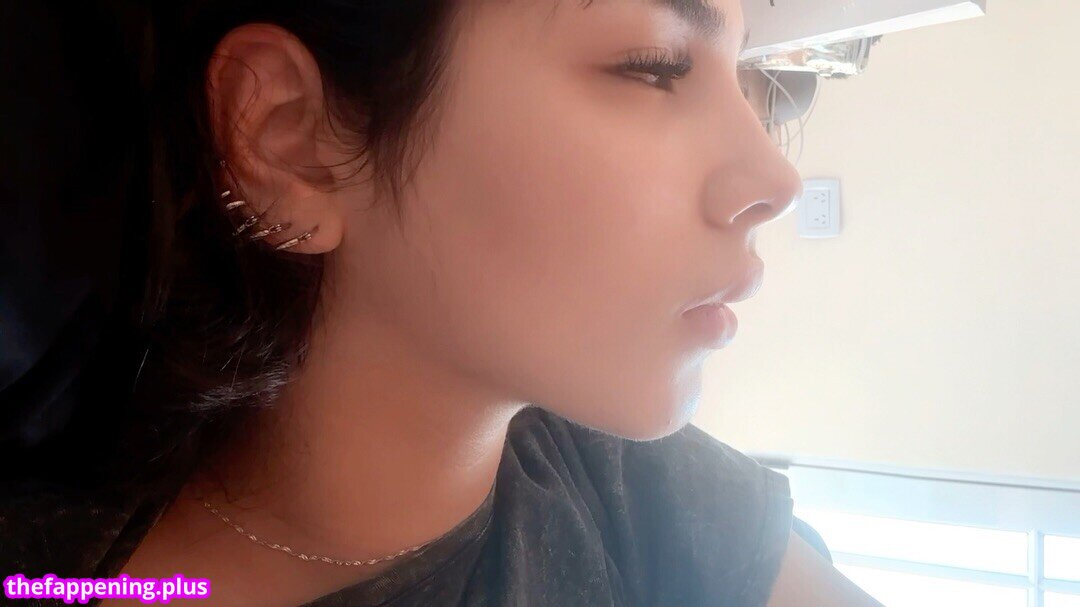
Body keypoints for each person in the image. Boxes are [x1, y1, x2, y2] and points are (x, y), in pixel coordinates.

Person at [0, 0, 883, 605]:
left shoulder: (662, 512)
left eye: (746, 74)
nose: (775, 179)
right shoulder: (48, 567)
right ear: (293, 141)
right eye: (652, 66)